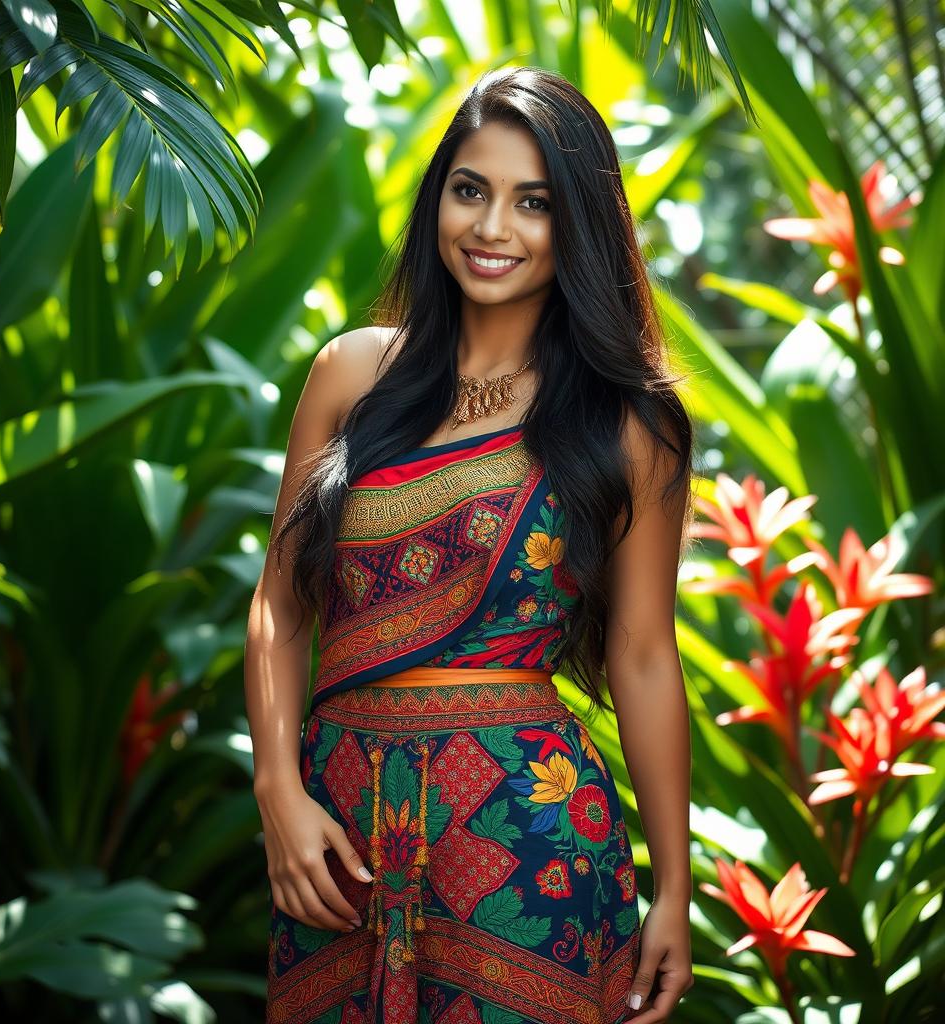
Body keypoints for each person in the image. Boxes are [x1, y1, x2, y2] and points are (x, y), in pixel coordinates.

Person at [245, 65, 695, 1024]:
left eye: (532, 202)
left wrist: (673, 890)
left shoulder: (626, 422)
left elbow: (645, 655)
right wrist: (279, 791)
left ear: (579, 223)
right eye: (470, 190)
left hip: (529, 839)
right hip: (338, 839)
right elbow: (280, 606)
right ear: (437, 197)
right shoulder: (354, 375)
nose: (492, 229)